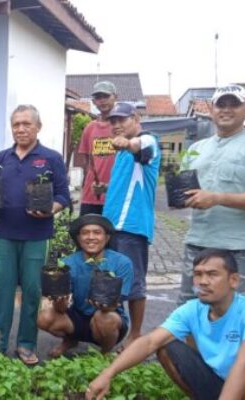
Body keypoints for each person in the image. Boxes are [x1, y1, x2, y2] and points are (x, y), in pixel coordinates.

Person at [86, 249, 245, 400]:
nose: (203, 281)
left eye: (212, 274)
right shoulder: (192, 309)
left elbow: (242, 365)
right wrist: (107, 374)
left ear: (233, 280)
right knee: (167, 347)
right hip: (219, 381)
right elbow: (149, 342)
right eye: (198, 274)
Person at [0, 104, 71, 365]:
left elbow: (63, 196)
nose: (21, 129)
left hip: (37, 236)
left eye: (26, 124)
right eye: (16, 124)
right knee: (1, 290)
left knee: (32, 291)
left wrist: (50, 209)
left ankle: (26, 344)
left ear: (38, 127)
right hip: (4, 235)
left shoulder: (51, 158)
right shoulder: (2, 158)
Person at [177, 84, 245, 305]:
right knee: (188, 310)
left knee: (235, 314)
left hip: (238, 248)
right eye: (220, 105)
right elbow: (184, 190)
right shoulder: (196, 147)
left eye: (234, 104)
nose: (226, 110)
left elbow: (212, 196)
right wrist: (180, 198)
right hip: (197, 243)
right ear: (211, 109)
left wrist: (217, 198)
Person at [102, 102, 160, 349]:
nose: (116, 125)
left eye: (121, 120)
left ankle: (136, 335)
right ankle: (112, 331)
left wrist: (128, 143)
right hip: (112, 226)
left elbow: (141, 145)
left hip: (132, 227)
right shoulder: (120, 152)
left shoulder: (148, 140)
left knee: (134, 282)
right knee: (109, 280)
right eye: (113, 121)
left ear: (136, 118)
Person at [37, 214, 133, 357]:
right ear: (78, 238)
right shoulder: (68, 263)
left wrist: (105, 304)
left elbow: (116, 303)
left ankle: (105, 353)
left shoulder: (122, 263)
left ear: (107, 238)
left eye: (97, 233)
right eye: (85, 233)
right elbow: (62, 309)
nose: (91, 237)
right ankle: (70, 340)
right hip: (78, 316)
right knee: (44, 318)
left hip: (109, 316)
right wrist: (59, 301)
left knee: (103, 317)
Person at [77, 81, 117, 215]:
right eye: (98, 97)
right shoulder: (90, 128)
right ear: (94, 101)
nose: (102, 101)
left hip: (116, 194)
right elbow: (86, 160)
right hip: (91, 195)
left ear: (115, 97)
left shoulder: (122, 127)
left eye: (106, 96)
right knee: (88, 233)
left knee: (113, 234)